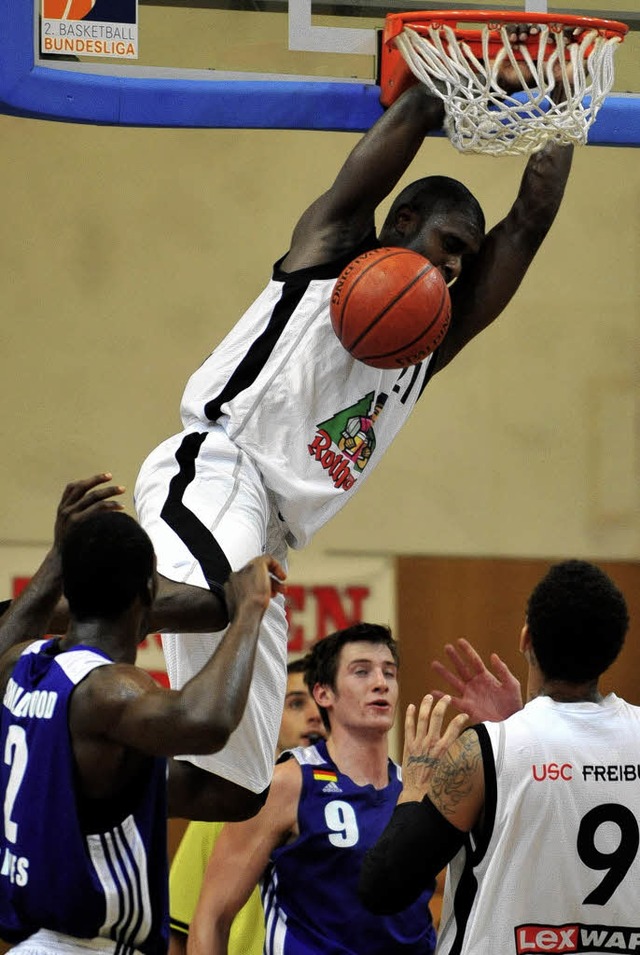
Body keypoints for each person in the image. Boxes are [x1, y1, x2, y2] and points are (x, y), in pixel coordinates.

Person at [133, 39, 576, 809]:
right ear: (402, 220)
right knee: (215, 598)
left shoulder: (425, 345)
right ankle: (47, 617)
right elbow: (413, 112)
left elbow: (529, 224)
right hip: (216, 464)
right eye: (446, 247)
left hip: (270, 534)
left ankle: (68, 781)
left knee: (233, 787)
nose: (453, 271)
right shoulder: (331, 249)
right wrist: (473, 69)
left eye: (463, 263)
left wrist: (564, 106)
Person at [0, 474, 286, 955]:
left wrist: (57, 554)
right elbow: (205, 721)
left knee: (227, 796)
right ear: (150, 595)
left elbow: (12, 633)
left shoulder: (22, 666)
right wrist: (247, 612)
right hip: (84, 945)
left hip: (36, 942)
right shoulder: (108, 690)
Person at [358, 560, 640, 950]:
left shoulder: (487, 749)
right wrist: (521, 725)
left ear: (526, 638)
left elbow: (383, 888)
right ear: (614, 647)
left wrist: (416, 788)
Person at [187, 623, 467, 955]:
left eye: (389, 673)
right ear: (324, 693)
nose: (380, 683)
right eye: (361, 672)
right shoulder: (287, 783)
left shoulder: (419, 790)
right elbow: (211, 917)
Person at [168, 656, 325, 955]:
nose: (314, 715)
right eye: (296, 703)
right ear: (270, 718)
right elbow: (178, 931)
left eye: (322, 702)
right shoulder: (224, 806)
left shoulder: (355, 807)